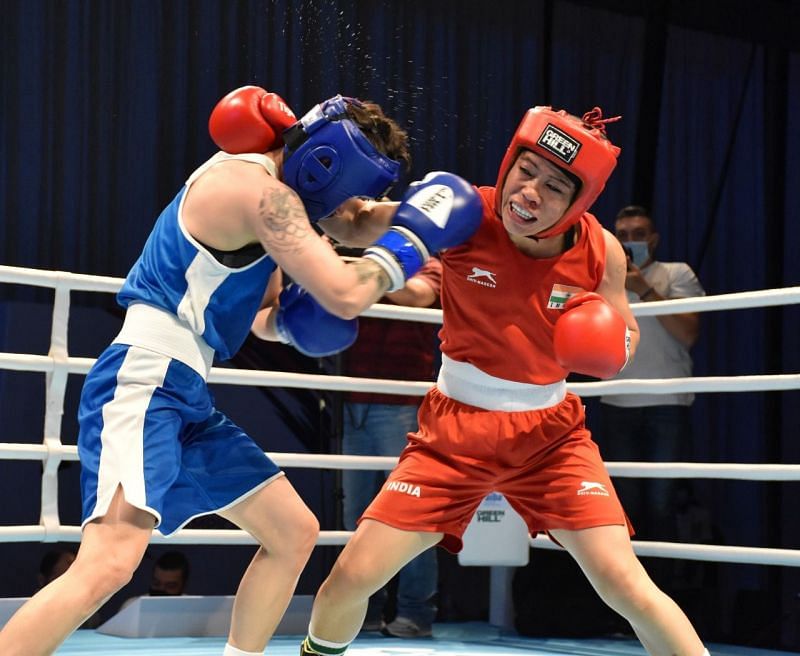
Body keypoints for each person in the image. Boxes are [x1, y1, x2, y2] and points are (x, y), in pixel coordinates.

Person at [0, 86, 482, 656]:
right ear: (326, 163)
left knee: (293, 533)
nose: (345, 210)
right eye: (347, 193)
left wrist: (411, 216)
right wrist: (412, 242)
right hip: (143, 381)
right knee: (106, 565)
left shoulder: (278, 195)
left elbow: (266, 310)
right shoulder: (255, 192)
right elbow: (348, 292)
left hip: (185, 394)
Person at [299, 106, 710, 656]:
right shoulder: (464, 210)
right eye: (525, 171)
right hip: (452, 434)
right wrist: (298, 173)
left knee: (625, 583)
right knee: (350, 577)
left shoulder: (601, 250)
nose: (530, 193)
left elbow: (626, 328)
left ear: (578, 202)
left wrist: (613, 344)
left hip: (551, 438)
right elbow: (349, 223)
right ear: (509, 163)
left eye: (554, 185)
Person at [339, 256, 442, 637]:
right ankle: (362, 610)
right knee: (357, 516)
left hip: (401, 404)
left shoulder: (432, 264)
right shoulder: (361, 261)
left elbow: (416, 297)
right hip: (350, 400)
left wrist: (354, 269)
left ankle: (416, 613)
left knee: (409, 514)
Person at [595, 205, 704, 538]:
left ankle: (664, 584)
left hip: (667, 401)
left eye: (638, 235)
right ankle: (625, 584)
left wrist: (644, 289)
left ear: (653, 239)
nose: (631, 241)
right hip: (615, 401)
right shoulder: (600, 279)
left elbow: (688, 334)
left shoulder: (676, 274)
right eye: (623, 235)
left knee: (661, 501)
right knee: (622, 502)